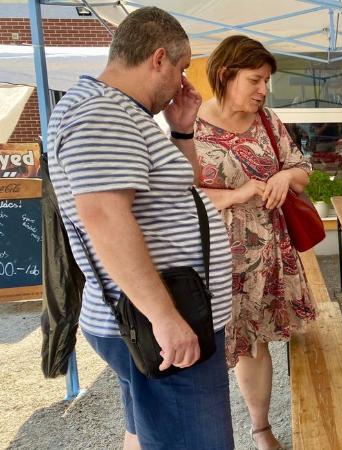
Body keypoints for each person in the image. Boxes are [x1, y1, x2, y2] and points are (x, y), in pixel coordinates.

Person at [47, 7, 234, 450]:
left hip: (162, 311)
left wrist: (182, 131)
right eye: (183, 68)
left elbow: (180, 190)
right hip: (160, 317)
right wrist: (165, 318)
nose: (183, 83)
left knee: (147, 430)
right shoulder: (101, 114)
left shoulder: (122, 114)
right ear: (158, 59)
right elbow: (105, 218)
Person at [194, 35, 316, 450]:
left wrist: (285, 176)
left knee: (254, 341)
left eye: (267, 81)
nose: (264, 90)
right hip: (214, 256)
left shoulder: (269, 121)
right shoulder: (189, 126)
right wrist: (235, 194)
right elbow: (177, 194)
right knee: (209, 346)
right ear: (225, 75)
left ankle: (260, 428)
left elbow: (302, 168)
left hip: (269, 256)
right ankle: (206, 433)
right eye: (255, 80)